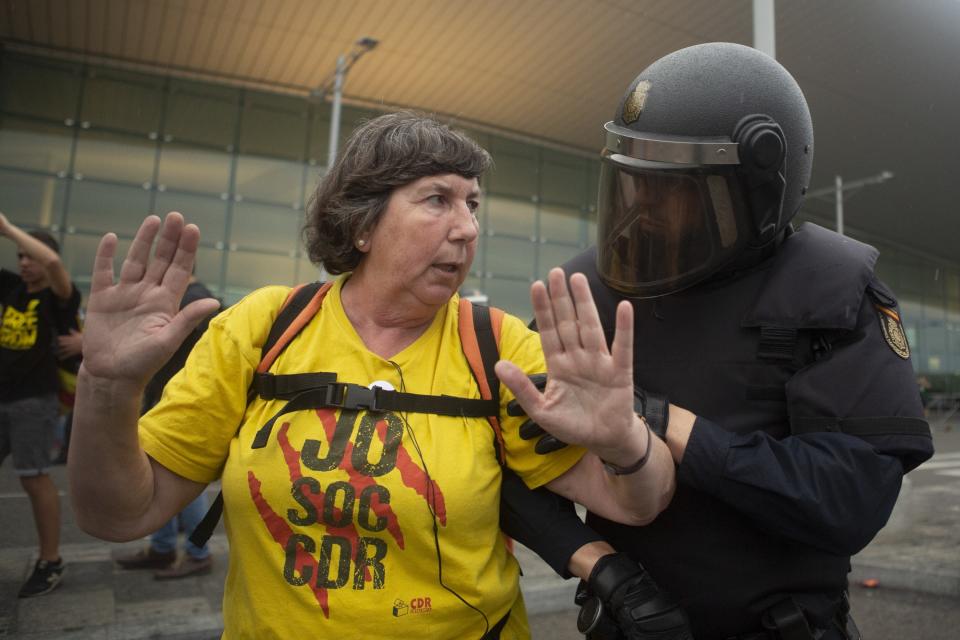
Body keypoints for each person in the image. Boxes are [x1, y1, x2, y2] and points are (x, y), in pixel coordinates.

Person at [67, 112, 677, 639]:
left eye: (472, 204)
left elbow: (637, 505)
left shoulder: (497, 346)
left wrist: (624, 441)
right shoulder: (264, 328)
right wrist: (107, 387)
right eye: (438, 199)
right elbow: (119, 515)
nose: (466, 227)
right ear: (361, 224)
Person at [506, 42, 935, 639]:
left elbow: (849, 500)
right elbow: (503, 459)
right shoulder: (588, 297)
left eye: (672, 193)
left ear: (754, 193)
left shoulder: (830, 292)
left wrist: (663, 422)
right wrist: (603, 570)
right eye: (633, 187)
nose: (642, 215)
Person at [114, 274, 218, 579]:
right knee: (158, 475)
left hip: (184, 404)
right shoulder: (187, 297)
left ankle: (198, 553)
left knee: (182, 480)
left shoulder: (196, 297)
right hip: (167, 398)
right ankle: (163, 548)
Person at [0, 212, 81, 597]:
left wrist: (8, 228)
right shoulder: (12, 289)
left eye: (28, 255)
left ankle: (51, 560)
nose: (24, 262)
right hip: (2, 396)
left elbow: (51, 263)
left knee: (33, 477)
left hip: (35, 401)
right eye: (19, 256)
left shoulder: (59, 298)